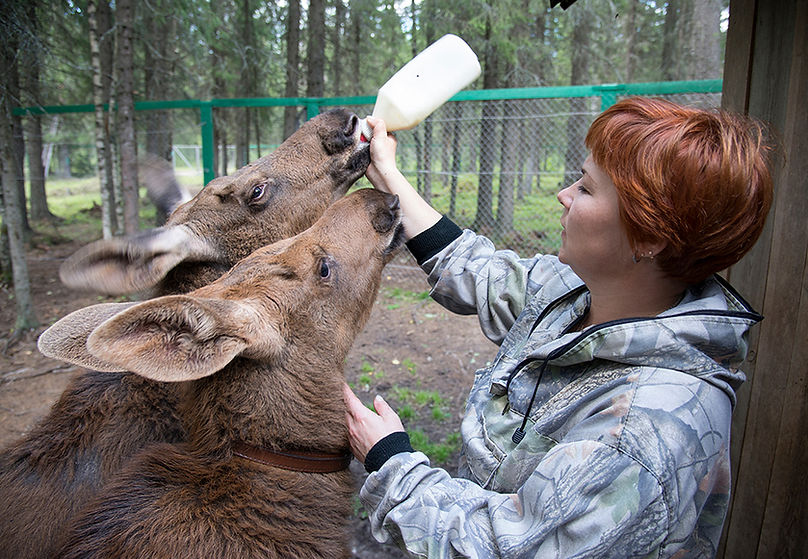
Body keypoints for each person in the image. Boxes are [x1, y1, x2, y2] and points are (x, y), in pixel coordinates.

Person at [343, 97, 773, 558]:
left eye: (586, 188)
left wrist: (391, 462)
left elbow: (507, 549)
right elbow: (478, 272)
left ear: (648, 237)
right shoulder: (579, 291)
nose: (563, 194)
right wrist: (386, 173)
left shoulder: (640, 435)